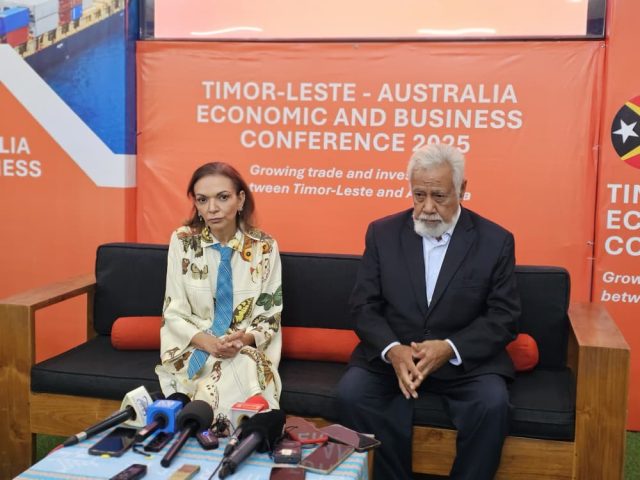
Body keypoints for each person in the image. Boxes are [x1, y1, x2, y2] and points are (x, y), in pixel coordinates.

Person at [337, 144, 520, 480]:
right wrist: (393, 350)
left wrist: (450, 347)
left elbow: (504, 316)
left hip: (464, 363)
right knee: (352, 394)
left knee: (491, 404)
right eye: (419, 195)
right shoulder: (382, 233)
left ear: (462, 189)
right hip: (395, 358)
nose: (427, 207)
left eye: (439, 196)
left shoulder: (495, 241)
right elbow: (363, 305)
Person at [156, 162, 283, 420]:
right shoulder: (183, 241)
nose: (212, 208)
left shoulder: (265, 247)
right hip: (195, 344)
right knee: (242, 371)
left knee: (245, 361)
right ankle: (241, 425)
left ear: (240, 199)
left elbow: (269, 315)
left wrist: (240, 341)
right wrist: (209, 342)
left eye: (223, 197)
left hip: (242, 347)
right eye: (202, 200)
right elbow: (173, 310)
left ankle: (196, 417)